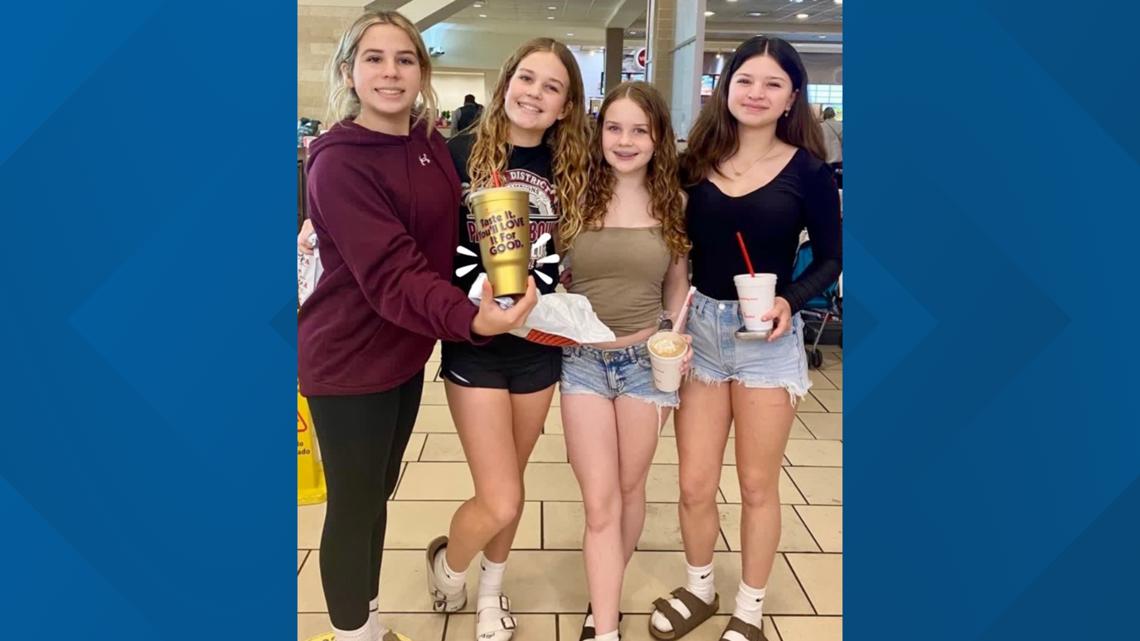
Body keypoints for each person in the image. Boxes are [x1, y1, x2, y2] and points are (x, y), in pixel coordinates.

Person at [297, 11, 537, 641]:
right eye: (374, 58)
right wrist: (471, 319)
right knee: (354, 505)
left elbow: (444, 241)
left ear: (422, 73)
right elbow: (393, 271)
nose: (390, 72)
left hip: (404, 350)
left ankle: (369, 623)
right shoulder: (338, 162)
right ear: (348, 71)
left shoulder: (429, 145)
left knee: (378, 492)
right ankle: (353, 635)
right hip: (348, 357)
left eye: (404, 58)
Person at [647, 36, 841, 641]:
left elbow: (833, 258)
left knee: (758, 484)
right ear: (725, 88)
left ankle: (750, 609)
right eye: (745, 81)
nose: (756, 93)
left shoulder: (808, 172)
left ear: (791, 98)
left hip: (767, 337)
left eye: (772, 84)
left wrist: (791, 298)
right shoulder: (692, 163)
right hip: (700, 330)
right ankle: (700, 585)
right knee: (693, 481)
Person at [426, 37, 590, 641]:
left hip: (541, 343)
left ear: (566, 106)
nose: (534, 94)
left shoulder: (574, 165)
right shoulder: (457, 153)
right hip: (475, 342)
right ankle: (449, 564)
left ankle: (491, 593)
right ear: (506, 84)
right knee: (498, 498)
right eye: (526, 78)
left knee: (513, 491)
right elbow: (415, 228)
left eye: (552, 87)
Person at [558, 81, 692, 641]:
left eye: (639, 129)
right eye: (614, 127)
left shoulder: (674, 203)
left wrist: (677, 343)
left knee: (631, 489)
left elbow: (678, 289)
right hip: (582, 363)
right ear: (599, 131)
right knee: (600, 500)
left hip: (646, 361)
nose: (625, 139)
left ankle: (602, 599)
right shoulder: (574, 193)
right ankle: (606, 629)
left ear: (658, 137)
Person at [820, 106, 842, 187]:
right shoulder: (841, 126)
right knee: (833, 175)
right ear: (833, 114)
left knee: (824, 176)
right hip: (837, 157)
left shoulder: (820, 126)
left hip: (824, 156)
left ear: (824, 114)